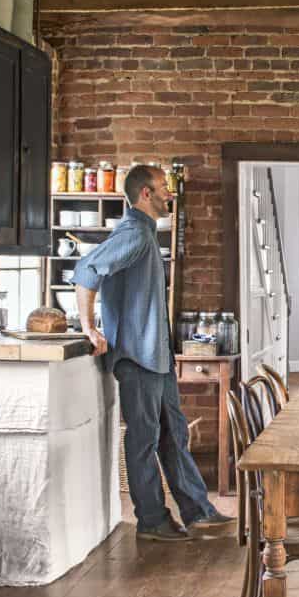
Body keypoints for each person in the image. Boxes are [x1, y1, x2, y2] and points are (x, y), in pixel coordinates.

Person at [72, 164, 233, 542]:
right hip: (137, 359)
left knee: (173, 435)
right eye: (163, 188)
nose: (169, 194)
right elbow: (86, 269)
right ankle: (152, 520)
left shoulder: (143, 234)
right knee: (144, 440)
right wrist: (87, 326)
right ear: (145, 193)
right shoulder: (135, 234)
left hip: (155, 358)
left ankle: (198, 512)